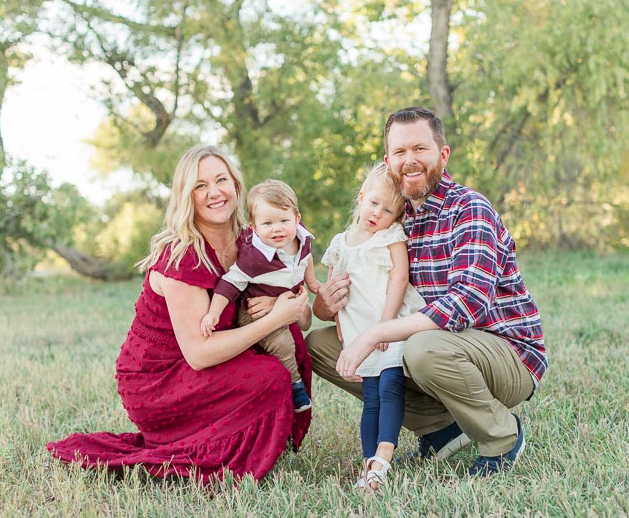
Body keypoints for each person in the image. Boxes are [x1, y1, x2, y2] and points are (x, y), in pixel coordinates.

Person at [47, 145, 312, 485]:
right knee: (269, 375)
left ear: (236, 184)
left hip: (212, 357)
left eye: (221, 180)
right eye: (201, 186)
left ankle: (260, 441)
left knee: (291, 345)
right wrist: (274, 318)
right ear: (187, 196)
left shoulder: (255, 239)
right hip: (160, 376)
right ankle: (207, 451)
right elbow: (199, 354)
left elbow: (299, 316)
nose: (214, 192)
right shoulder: (182, 255)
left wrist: (283, 308)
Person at [307, 107, 547, 477]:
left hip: (505, 352)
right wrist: (325, 305)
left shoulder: (469, 209)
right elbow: (361, 295)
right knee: (320, 347)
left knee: (423, 347)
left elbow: (467, 302)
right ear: (388, 162)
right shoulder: (390, 220)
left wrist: (374, 334)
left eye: (420, 148)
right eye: (400, 152)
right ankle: (441, 430)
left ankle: (502, 435)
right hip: (438, 349)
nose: (410, 160)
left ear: (443, 154)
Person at [320, 163, 426, 492]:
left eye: (388, 210)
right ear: (362, 197)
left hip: (389, 324)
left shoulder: (391, 236)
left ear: (397, 217)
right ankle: (370, 467)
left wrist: (387, 324)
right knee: (371, 399)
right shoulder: (341, 243)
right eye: (374, 203)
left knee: (390, 388)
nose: (378, 213)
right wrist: (340, 325)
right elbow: (333, 287)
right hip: (358, 333)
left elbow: (399, 276)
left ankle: (383, 457)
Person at [200, 179, 321, 413]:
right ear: (254, 227)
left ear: (297, 219)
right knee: (283, 344)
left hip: (284, 301)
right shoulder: (253, 257)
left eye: (284, 220)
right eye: (267, 223)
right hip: (256, 312)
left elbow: (305, 258)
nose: (277, 228)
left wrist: (312, 282)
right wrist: (213, 312)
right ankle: (295, 385)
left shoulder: (301, 237)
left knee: (301, 333)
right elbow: (229, 283)